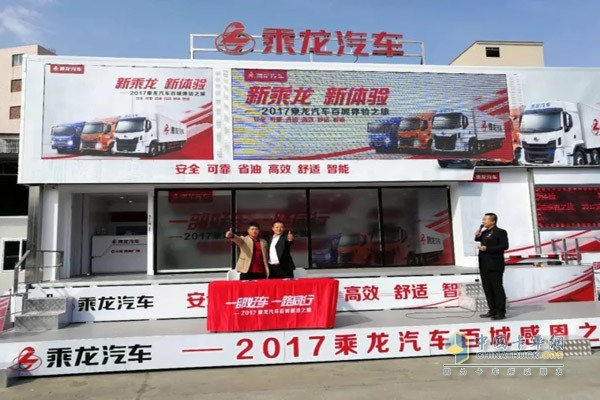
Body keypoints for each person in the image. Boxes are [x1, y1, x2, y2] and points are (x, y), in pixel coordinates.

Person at [475, 213, 509, 320]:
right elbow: (478, 239)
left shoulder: (500, 232)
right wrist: (477, 235)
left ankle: (500, 312)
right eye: (483, 219)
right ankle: (492, 310)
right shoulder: (485, 232)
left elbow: (504, 246)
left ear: (493, 221)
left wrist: (488, 249)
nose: (483, 221)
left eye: (485, 219)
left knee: (497, 288)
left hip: (495, 264)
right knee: (488, 288)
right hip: (484, 264)